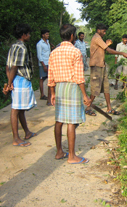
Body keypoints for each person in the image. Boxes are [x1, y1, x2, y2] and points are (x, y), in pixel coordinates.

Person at [48, 24, 91, 163]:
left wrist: (52, 93)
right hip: (72, 88)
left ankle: (59, 152)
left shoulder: (53, 52)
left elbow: (51, 75)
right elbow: (79, 77)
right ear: (72, 36)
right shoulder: (75, 52)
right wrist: (85, 95)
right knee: (71, 122)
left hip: (59, 88)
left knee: (59, 120)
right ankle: (72, 156)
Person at [3, 24, 37, 147]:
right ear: (24, 35)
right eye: (28, 33)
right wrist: (9, 83)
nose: (30, 36)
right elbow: (15, 66)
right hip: (20, 80)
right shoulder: (22, 48)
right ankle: (16, 138)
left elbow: (8, 66)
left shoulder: (13, 46)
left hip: (15, 79)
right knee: (16, 109)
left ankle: (27, 132)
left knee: (20, 108)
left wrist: (9, 81)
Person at [85, 23, 127, 116]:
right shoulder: (96, 38)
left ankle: (109, 108)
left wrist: (106, 44)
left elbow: (102, 49)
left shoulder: (99, 39)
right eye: (104, 31)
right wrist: (121, 53)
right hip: (96, 66)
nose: (105, 33)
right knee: (95, 88)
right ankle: (88, 108)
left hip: (102, 65)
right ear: (99, 30)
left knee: (106, 87)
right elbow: (108, 50)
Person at [36, 29, 51, 105]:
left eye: (48, 34)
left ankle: (49, 95)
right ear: (43, 35)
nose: (48, 36)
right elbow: (39, 55)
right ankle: (42, 94)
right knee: (42, 78)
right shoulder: (39, 44)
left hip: (48, 62)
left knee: (49, 78)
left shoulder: (47, 42)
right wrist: (43, 65)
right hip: (43, 63)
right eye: (46, 34)